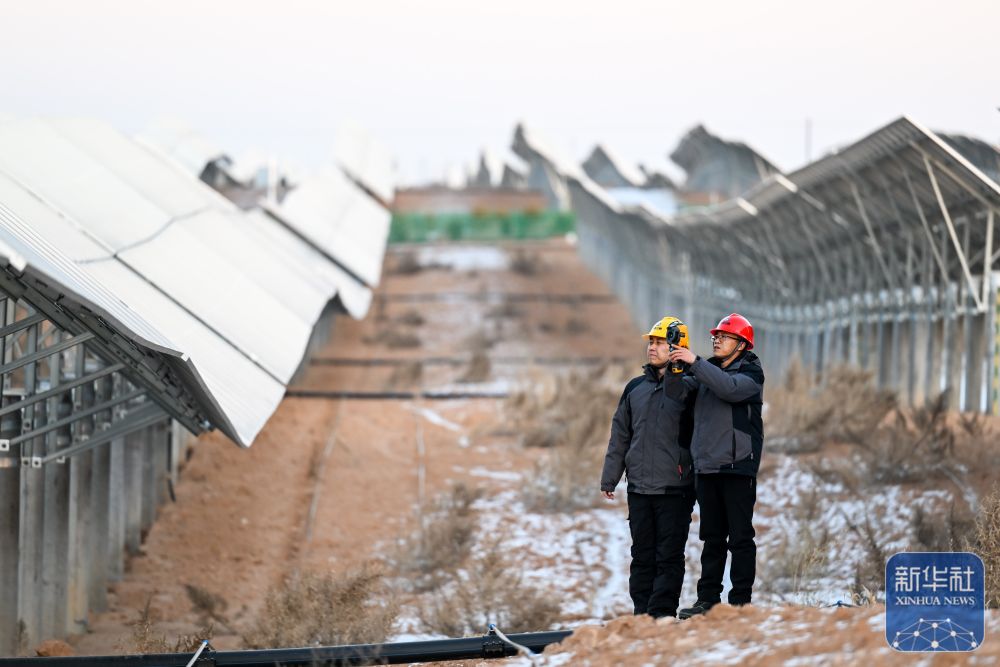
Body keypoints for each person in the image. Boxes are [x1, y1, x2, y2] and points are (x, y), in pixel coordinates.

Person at [667, 313, 764, 619]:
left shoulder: (750, 373)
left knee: (740, 538)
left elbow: (729, 389)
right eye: (716, 336)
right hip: (707, 467)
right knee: (711, 538)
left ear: (742, 344)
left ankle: (740, 602)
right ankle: (707, 600)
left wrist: (695, 362)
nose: (717, 340)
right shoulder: (705, 371)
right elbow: (675, 394)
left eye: (724, 336)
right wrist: (675, 367)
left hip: (737, 467)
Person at [600, 316, 697, 619]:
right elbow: (620, 435)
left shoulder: (692, 388)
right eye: (650, 342)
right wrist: (610, 477)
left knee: (668, 556)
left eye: (659, 342)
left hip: (675, 488)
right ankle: (642, 615)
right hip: (640, 488)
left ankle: (662, 614)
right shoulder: (635, 388)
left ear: (677, 347)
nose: (652, 348)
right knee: (641, 556)